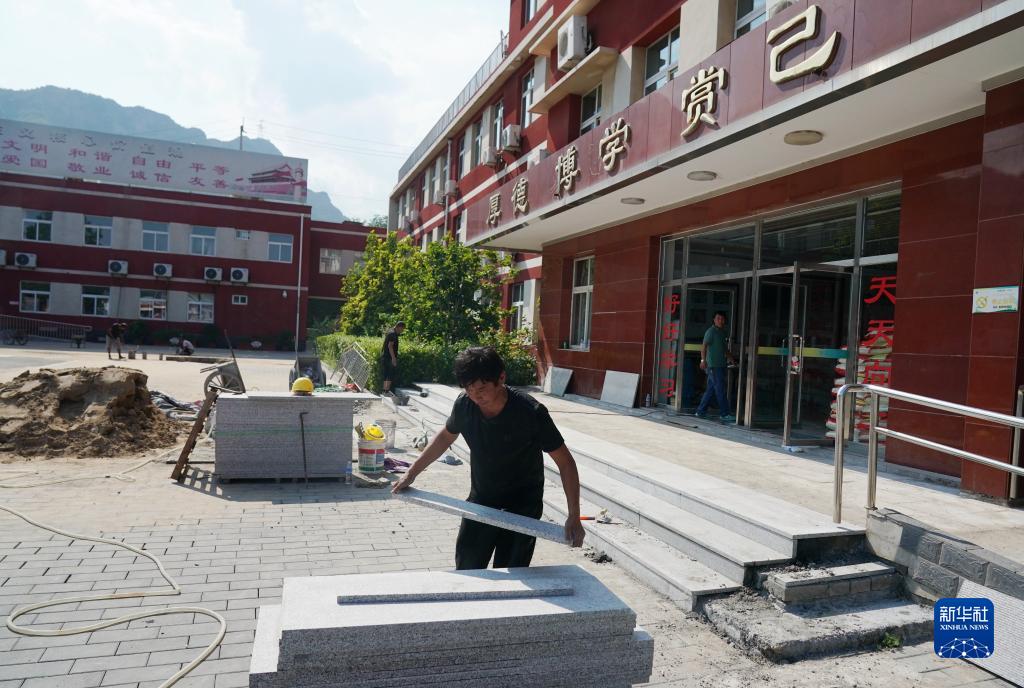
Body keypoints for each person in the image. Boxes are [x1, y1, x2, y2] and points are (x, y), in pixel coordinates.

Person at [392, 346, 585, 569]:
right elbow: (446, 436)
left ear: (501, 378)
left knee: (512, 572)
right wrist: (412, 473)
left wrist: (574, 515)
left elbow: (565, 462)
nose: (476, 396)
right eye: (469, 389)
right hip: (482, 499)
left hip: (522, 506)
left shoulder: (530, 412)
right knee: (468, 568)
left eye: (482, 388)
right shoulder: (465, 405)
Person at [696, 310, 736, 421]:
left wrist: (732, 360)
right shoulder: (711, 331)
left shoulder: (722, 333)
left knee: (711, 390)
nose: (720, 320)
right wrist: (703, 360)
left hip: (720, 365)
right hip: (713, 366)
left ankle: (700, 411)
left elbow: (725, 350)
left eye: (722, 319)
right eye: (718, 318)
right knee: (720, 389)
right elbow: (704, 347)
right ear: (714, 320)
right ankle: (724, 413)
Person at [379, 321, 405, 395]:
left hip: (386, 356)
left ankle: (385, 391)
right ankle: (386, 391)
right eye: (402, 329)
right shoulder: (393, 334)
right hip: (389, 357)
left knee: (386, 374)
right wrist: (393, 358)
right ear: (398, 327)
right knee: (390, 374)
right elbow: (390, 346)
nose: (402, 331)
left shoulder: (391, 332)